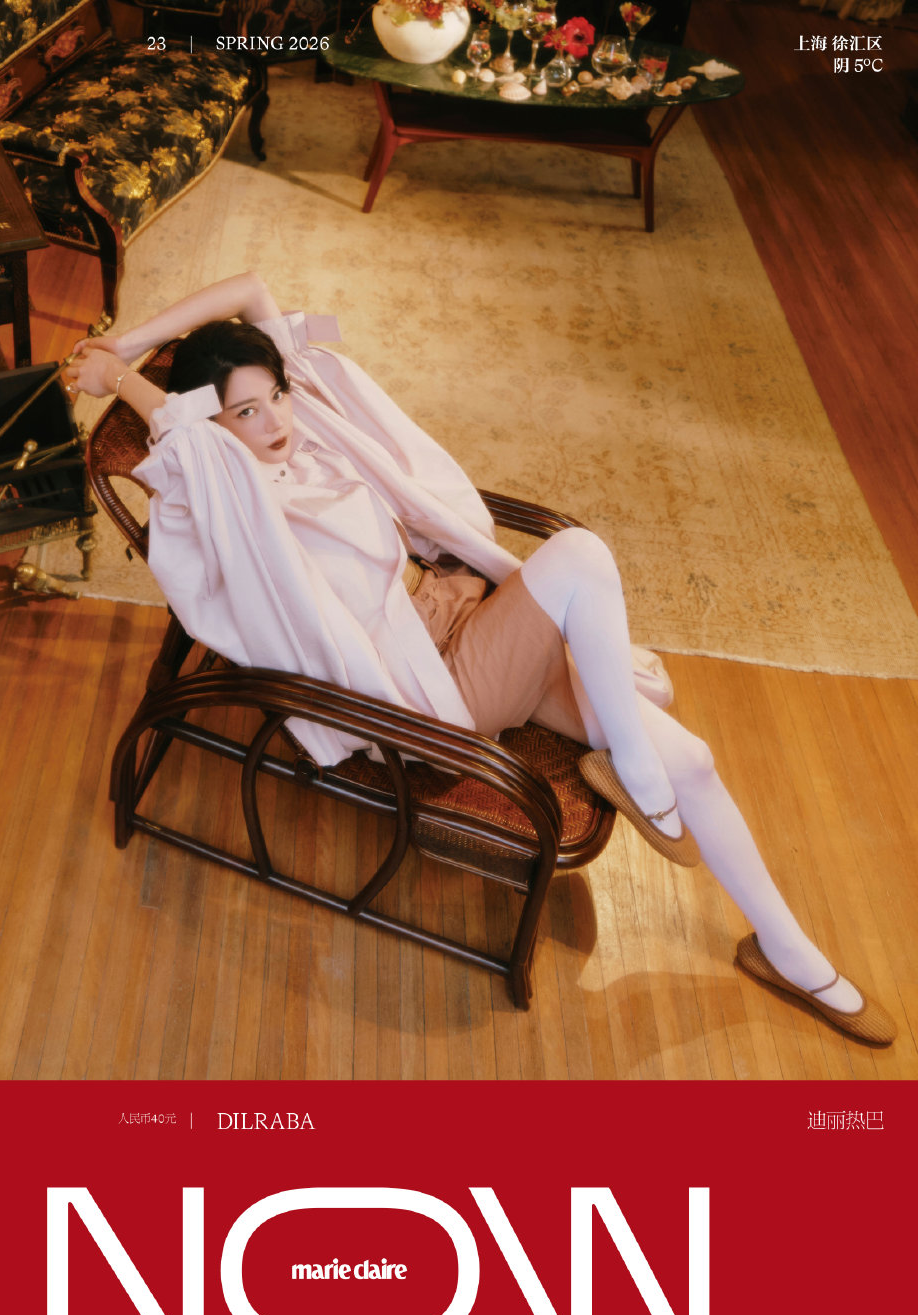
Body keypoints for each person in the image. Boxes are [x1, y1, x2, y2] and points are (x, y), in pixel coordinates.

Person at [67, 272, 896, 1044]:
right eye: (245, 412)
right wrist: (121, 378)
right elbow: (187, 434)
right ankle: (640, 778)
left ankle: (788, 953)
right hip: (433, 686)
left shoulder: (303, 432)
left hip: (470, 622)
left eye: (274, 395)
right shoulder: (226, 492)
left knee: (697, 760)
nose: (275, 420)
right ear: (207, 424)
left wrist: (127, 337)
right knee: (580, 556)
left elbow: (251, 287)